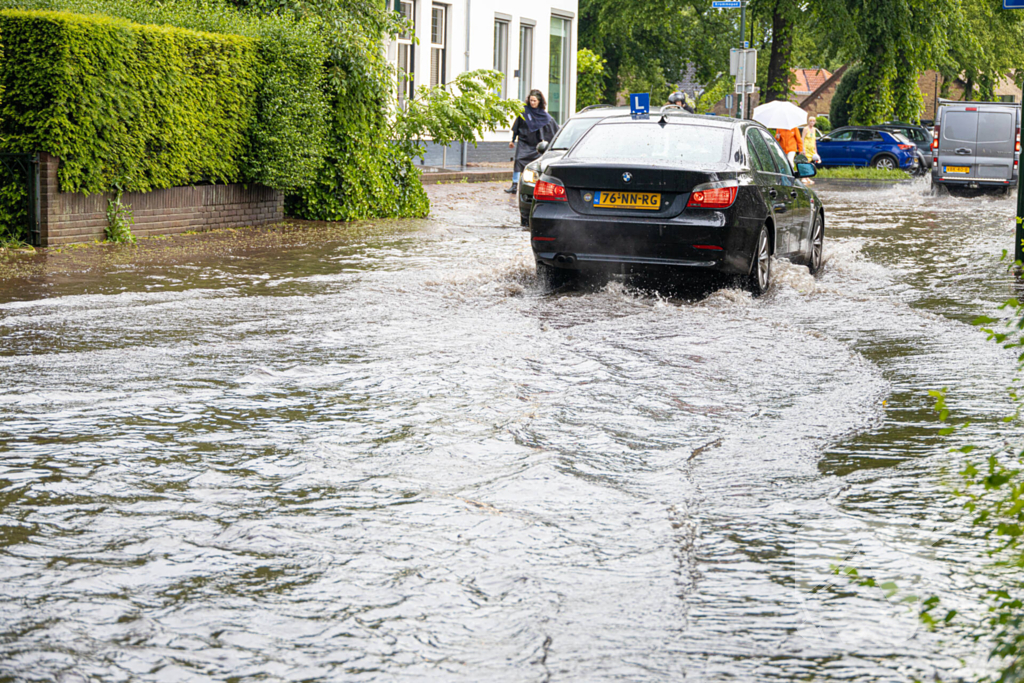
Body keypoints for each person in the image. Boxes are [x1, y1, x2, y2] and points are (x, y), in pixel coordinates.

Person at [506, 90, 559, 194]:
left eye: (534, 101)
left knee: (536, 165)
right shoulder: (524, 112)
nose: (532, 103)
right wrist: (512, 140)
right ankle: (514, 185)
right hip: (523, 142)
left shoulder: (544, 116)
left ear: (539, 101)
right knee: (518, 160)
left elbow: (553, 129)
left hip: (536, 145)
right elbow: (517, 126)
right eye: (531, 100)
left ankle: (535, 185)